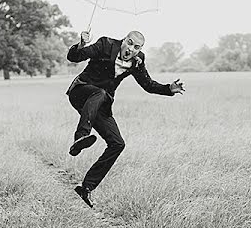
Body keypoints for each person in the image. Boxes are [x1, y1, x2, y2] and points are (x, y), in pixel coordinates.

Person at [65, 30, 185, 208]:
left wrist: (169, 88)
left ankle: (86, 188)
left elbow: (148, 85)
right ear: (123, 41)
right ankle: (80, 137)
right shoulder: (105, 45)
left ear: (140, 50)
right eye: (129, 43)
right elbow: (75, 57)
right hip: (80, 92)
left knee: (117, 143)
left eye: (136, 47)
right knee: (100, 92)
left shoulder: (138, 61)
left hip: (100, 104)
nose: (131, 49)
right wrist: (81, 44)